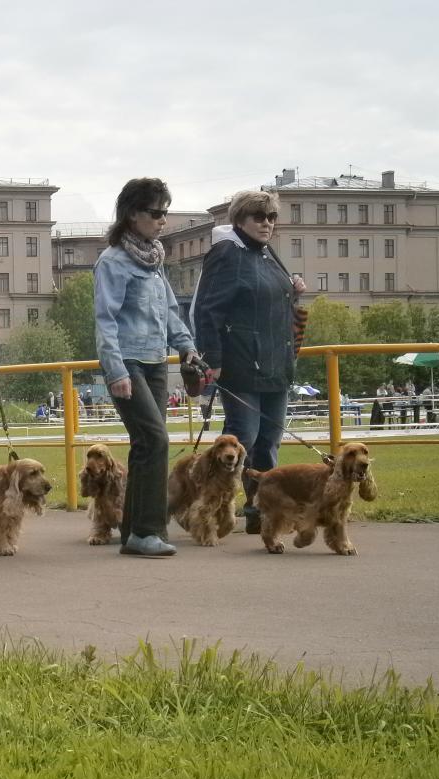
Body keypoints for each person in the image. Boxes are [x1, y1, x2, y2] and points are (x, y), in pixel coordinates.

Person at [94, 177, 199, 557]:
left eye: (164, 213)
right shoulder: (112, 262)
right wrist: (116, 370)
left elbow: (169, 310)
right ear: (132, 214)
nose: (163, 221)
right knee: (156, 440)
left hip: (156, 360)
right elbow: (105, 320)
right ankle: (148, 530)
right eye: (156, 213)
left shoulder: (154, 261)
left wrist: (187, 347)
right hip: (128, 361)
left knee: (145, 445)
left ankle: (133, 534)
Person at [192, 189, 306, 535]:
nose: (267, 223)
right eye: (258, 217)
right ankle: (213, 503)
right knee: (244, 437)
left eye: (271, 217)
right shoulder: (227, 253)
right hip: (241, 364)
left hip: (276, 362)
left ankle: (263, 511)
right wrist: (213, 359)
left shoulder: (267, 252)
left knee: (269, 441)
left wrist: (293, 290)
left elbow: (265, 297)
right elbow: (207, 309)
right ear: (239, 219)